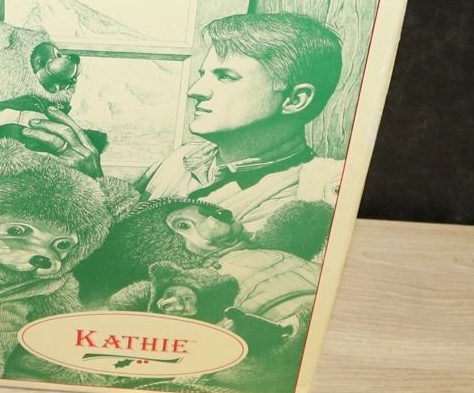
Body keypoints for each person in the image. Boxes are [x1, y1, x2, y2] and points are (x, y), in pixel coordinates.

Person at [17, 12, 344, 233]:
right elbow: (125, 224)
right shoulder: (182, 159)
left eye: (226, 77)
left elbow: (171, 281)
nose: (195, 90)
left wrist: (93, 186)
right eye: (204, 75)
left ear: (295, 100)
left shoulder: (303, 200)